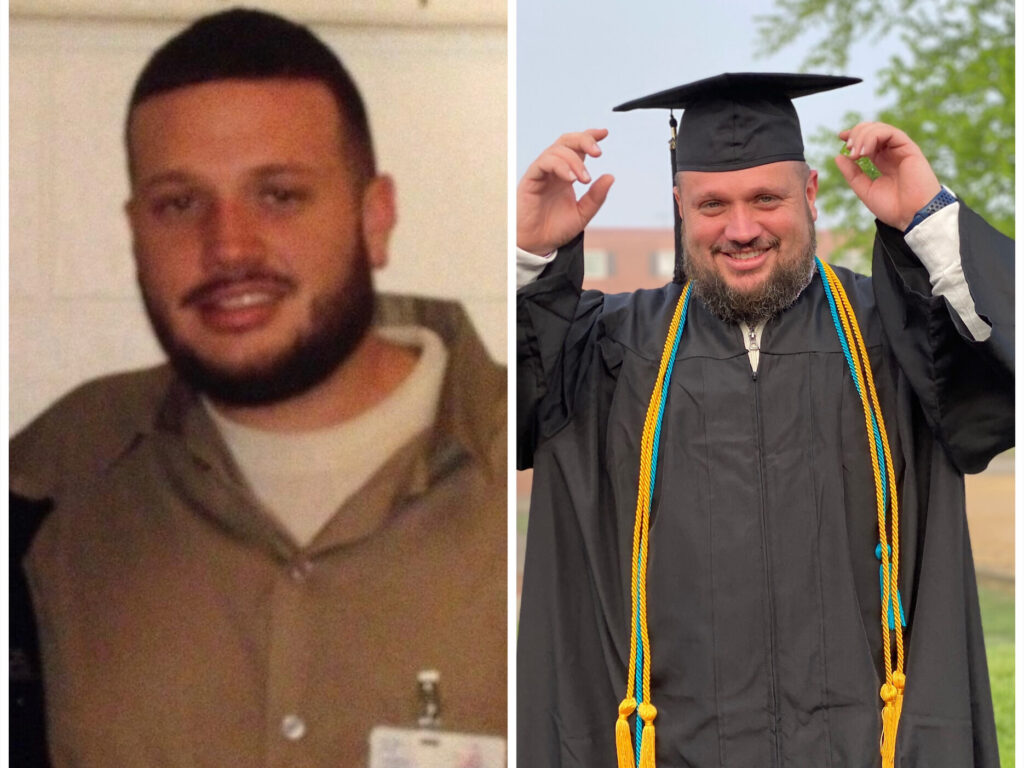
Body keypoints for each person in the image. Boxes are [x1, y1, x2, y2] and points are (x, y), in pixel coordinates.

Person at [10, 9, 506, 766]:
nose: (228, 246)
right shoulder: (51, 485)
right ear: (136, 232)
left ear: (376, 219)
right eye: (179, 203)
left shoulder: (571, 479)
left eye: (278, 195)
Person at [516, 73, 1012, 768]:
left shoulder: (894, 337)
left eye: (766, 199)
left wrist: (926, 216)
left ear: (810, 195)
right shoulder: (610, 352)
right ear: (680, 207)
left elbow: (1003, 361)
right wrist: (527, 255)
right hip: (668, 747)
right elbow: (501, 411)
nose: (741, 229)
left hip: (867, 748)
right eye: (712, 204)